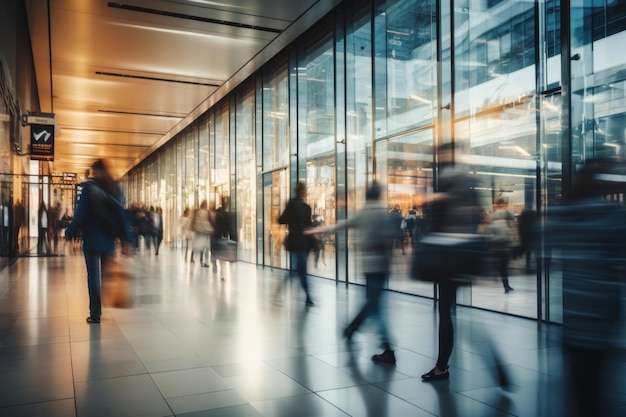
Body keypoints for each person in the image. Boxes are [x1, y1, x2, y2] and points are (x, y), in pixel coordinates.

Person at [544, 158, 626, 417]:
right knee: (598, 384)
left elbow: (543, 242)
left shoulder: (562, 213)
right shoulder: (613, 214)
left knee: (579, 388)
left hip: (573, 311)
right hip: (603, 309)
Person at [419, 143, 494, 382]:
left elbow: (455, 216)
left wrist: (436, 198)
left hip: (451, 257)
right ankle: (444, 365)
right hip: (454, 257)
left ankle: (443, 366)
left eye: (441, 154)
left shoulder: (453, 181)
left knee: (447, 313)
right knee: (448, 312)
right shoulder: (459, 180)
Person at [307, 181, 396, 363]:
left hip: (369, 265)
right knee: (373, 304)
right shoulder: (382, 213)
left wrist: (318, 229)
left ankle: (361, 333)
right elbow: (389, 238)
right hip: (382, 264)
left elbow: (341, 225)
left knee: (373, 304)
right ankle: (376, 341)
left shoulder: (364, 213)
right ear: (378, 196)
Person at [65, 159, 131, 324]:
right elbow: (121, 216)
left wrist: (69, 232)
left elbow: (80, 215)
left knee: (93, 277)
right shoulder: (115, 188)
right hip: (109, 241)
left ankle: (95, 313)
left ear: (94, 171)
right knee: (105, 275)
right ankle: (104, 299)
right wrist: (126, 240)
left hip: (91, 240)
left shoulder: (88, 187)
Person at [275, 181, 314, 306]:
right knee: (300, 270)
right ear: (303, 191)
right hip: (303, 242)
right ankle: (308, 297)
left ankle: (281, 292)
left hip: (294, 240)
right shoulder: (306, 208)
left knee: (297, 270)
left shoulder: (292, 204)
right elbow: (309, 227)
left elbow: (282, 220)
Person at [485, 198, 516, 293]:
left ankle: (499, 279)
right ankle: (506, 285)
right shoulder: (508, 215)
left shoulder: (491, 217)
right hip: (505, 246)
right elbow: (512, 229)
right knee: (504, 268)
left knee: (498, 266)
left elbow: (487, 232)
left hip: (495, 246)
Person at [190, 200, 214, 267]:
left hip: (199, 231)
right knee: (204, 246)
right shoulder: (205, 212)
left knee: (198, 245)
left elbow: (197, 221)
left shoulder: (198, 212)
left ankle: (197, 259)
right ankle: (202, 260)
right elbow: (206, 222)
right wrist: (209, 229)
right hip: (204, 232)